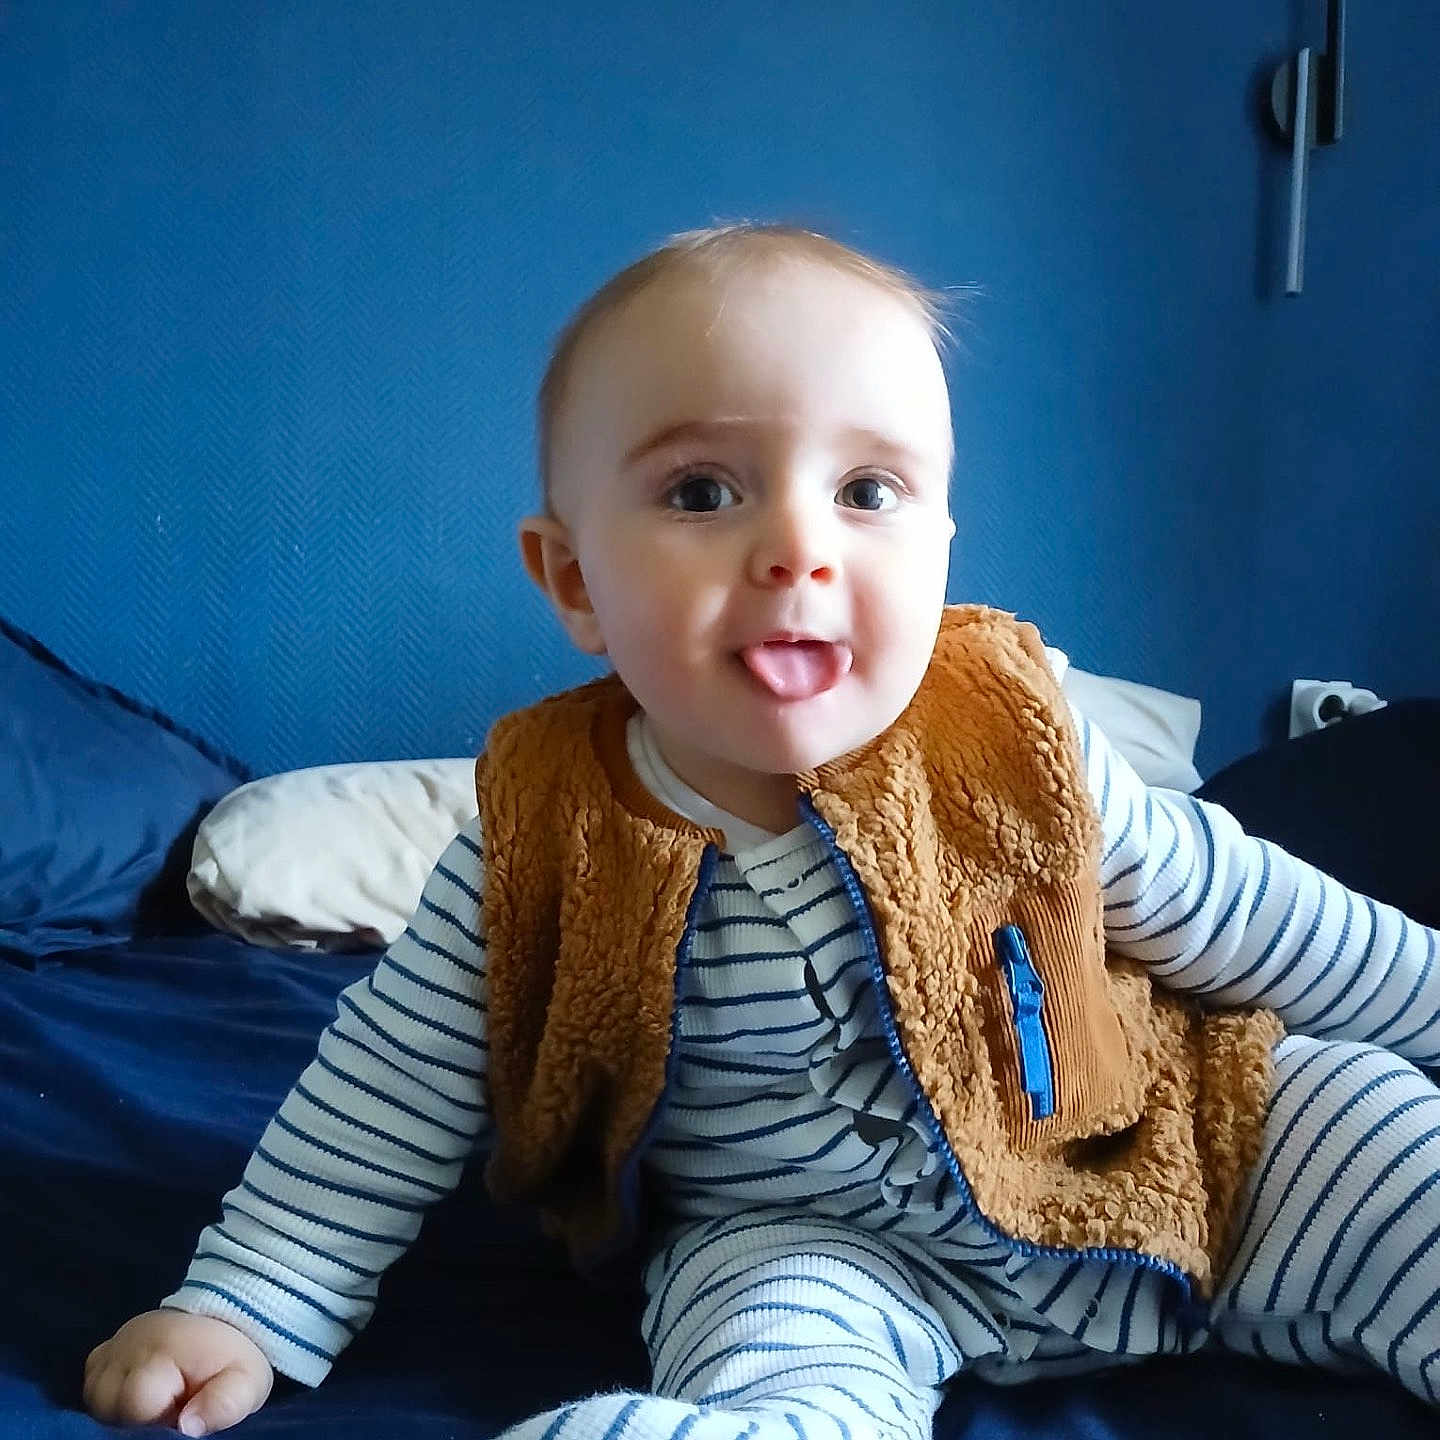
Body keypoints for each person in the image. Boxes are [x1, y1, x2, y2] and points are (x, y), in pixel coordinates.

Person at [83, 225, 1440, 1439]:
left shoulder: (1016, 744)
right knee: (766, 1361)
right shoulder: (540, 831)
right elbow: (387, 1088)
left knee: (1380, 1132)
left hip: (1146, 1148)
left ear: (943, 546)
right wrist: (246, 1309)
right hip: (816, 1246)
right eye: (701, 493)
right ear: (573, 580)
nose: (801, 547)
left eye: (869, 493)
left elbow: (1254, 915)